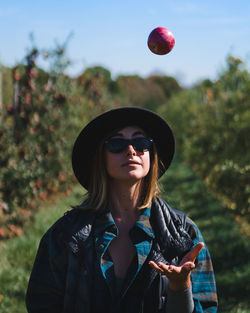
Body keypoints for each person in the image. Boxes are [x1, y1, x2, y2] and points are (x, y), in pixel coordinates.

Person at [26, 107, 218, 313]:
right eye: (116, 143)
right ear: (101, 157)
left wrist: (180, 287)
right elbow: (42, 303)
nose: (131, 150)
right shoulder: (66, 236)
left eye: (141, 142)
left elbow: (206, 308)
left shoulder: (182, 234)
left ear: (151, 155)